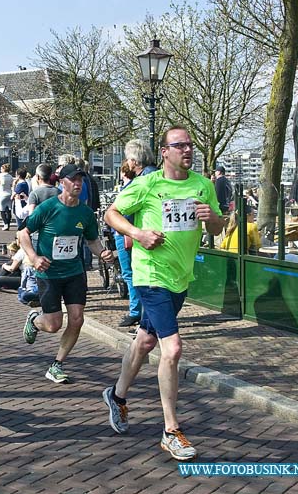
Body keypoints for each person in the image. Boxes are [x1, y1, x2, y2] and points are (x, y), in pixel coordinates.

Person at [102, 125, 223, 461]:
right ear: (165, 151)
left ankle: (117, 395)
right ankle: (171, 430)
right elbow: (112, 213)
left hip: (180, 279)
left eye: (190, 145)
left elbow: (217, 226)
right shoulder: (148, 184)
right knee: (173, 348)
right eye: (179, 145)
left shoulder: (203, 185)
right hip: (150, 276)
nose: (187, 150)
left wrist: (212, 217)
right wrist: (138, 233)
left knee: (144, 340)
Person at [18, 164, 114, 384]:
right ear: (62, 183)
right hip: (49, 274)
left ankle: (57, 364)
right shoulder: (48, 208)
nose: (78, 184)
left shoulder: (86, 213)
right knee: (53, 325)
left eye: (81, 180)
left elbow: (92, 241)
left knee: (77, 319)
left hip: (74, 272)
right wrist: (33, 257)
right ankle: (34, 320)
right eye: (73, 180)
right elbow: (23, 233)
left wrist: (103, 253)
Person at [116, 139, 157, 328]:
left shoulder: (143, 180)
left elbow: (126, 209)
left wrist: (127, 231)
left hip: (131, 233)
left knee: (133, 274)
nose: (128, 162)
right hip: (136, 232)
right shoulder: (153, 175)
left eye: (128, 159)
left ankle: (138, 314)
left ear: (134, 160)